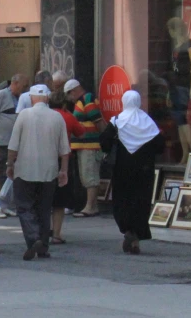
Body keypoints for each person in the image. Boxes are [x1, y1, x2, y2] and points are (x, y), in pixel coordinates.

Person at [6, 85, 70, 261]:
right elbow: (64, 149)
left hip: (24, 169)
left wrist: (9, 164)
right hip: (49, 170)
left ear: (32, 98)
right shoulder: (57, 117)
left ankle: (33, 238)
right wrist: (64, 170)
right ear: (47, 98)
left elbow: (13, 146)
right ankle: (43, 245)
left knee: (24, 206)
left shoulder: (24, 116)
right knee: (44, 208)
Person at [104, 91, 164, 253]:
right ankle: (136, 238)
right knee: (140, 202)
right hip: (144, 170)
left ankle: (127, 230)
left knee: (123, 200)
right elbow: (160, 146)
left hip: (122, 169)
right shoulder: (148, 122)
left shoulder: (117, 121)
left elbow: (104, 142)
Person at [0, 74, 28, 219]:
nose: (25, 89)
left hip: (14, 142)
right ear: (15, 83)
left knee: (11, 172)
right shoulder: (1, 95)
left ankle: (5, 205)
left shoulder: (20, 98)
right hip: (1, 141)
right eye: (23, 85)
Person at [47, 92, 84, 245]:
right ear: (63, 104)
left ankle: (41, 231)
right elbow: (80, 133)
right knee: (59, 201)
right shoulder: (67, 116)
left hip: (43, 159)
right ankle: (56, 234)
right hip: (62, 159)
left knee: (43, 198)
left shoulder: (45, 115)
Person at [65, 79, 104, 217]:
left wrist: (104, 141)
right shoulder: (83, 101)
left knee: (89, 176)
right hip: (85, 145)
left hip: (90, 145)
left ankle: (90, 207)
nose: (69, 98)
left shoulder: (87, 100)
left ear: (74, 91)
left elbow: (98, 121)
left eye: (68, 94)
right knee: (87, 175)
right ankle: (93, 205)